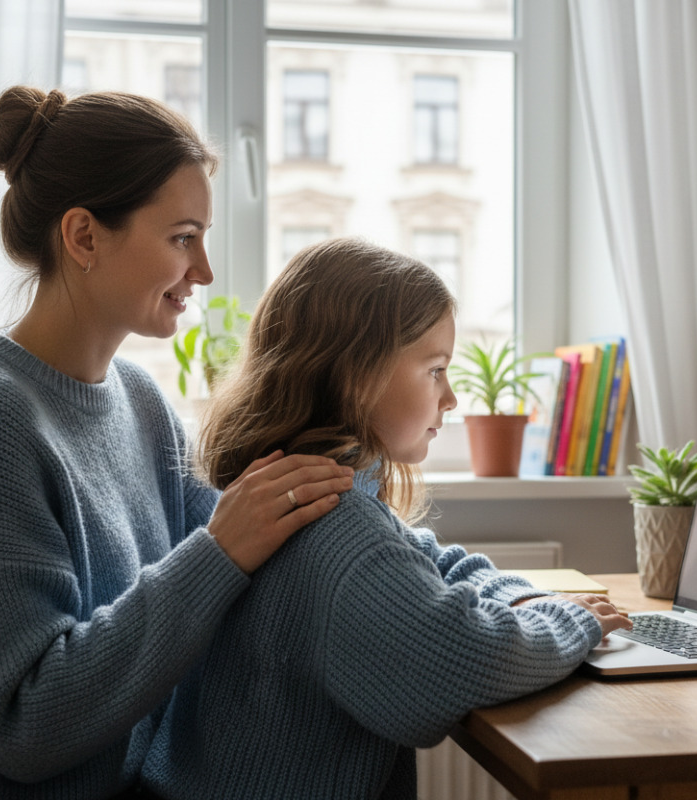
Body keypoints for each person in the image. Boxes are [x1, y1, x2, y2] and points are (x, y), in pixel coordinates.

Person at [0, 86, 353, 799]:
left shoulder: (141, 401)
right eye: (183, 238)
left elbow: (262, 553)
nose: (205, 272)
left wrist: (472, 593)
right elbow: (23, 726)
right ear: (84, 236)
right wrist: (218, 552)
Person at [140, 237, 632, 799]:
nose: (450, 398)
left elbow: (428, 559)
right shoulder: (339, 529)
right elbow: (462, 659)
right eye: (436, 370)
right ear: (358, 376)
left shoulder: (290, 491)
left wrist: (520, 596)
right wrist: (572, 624)